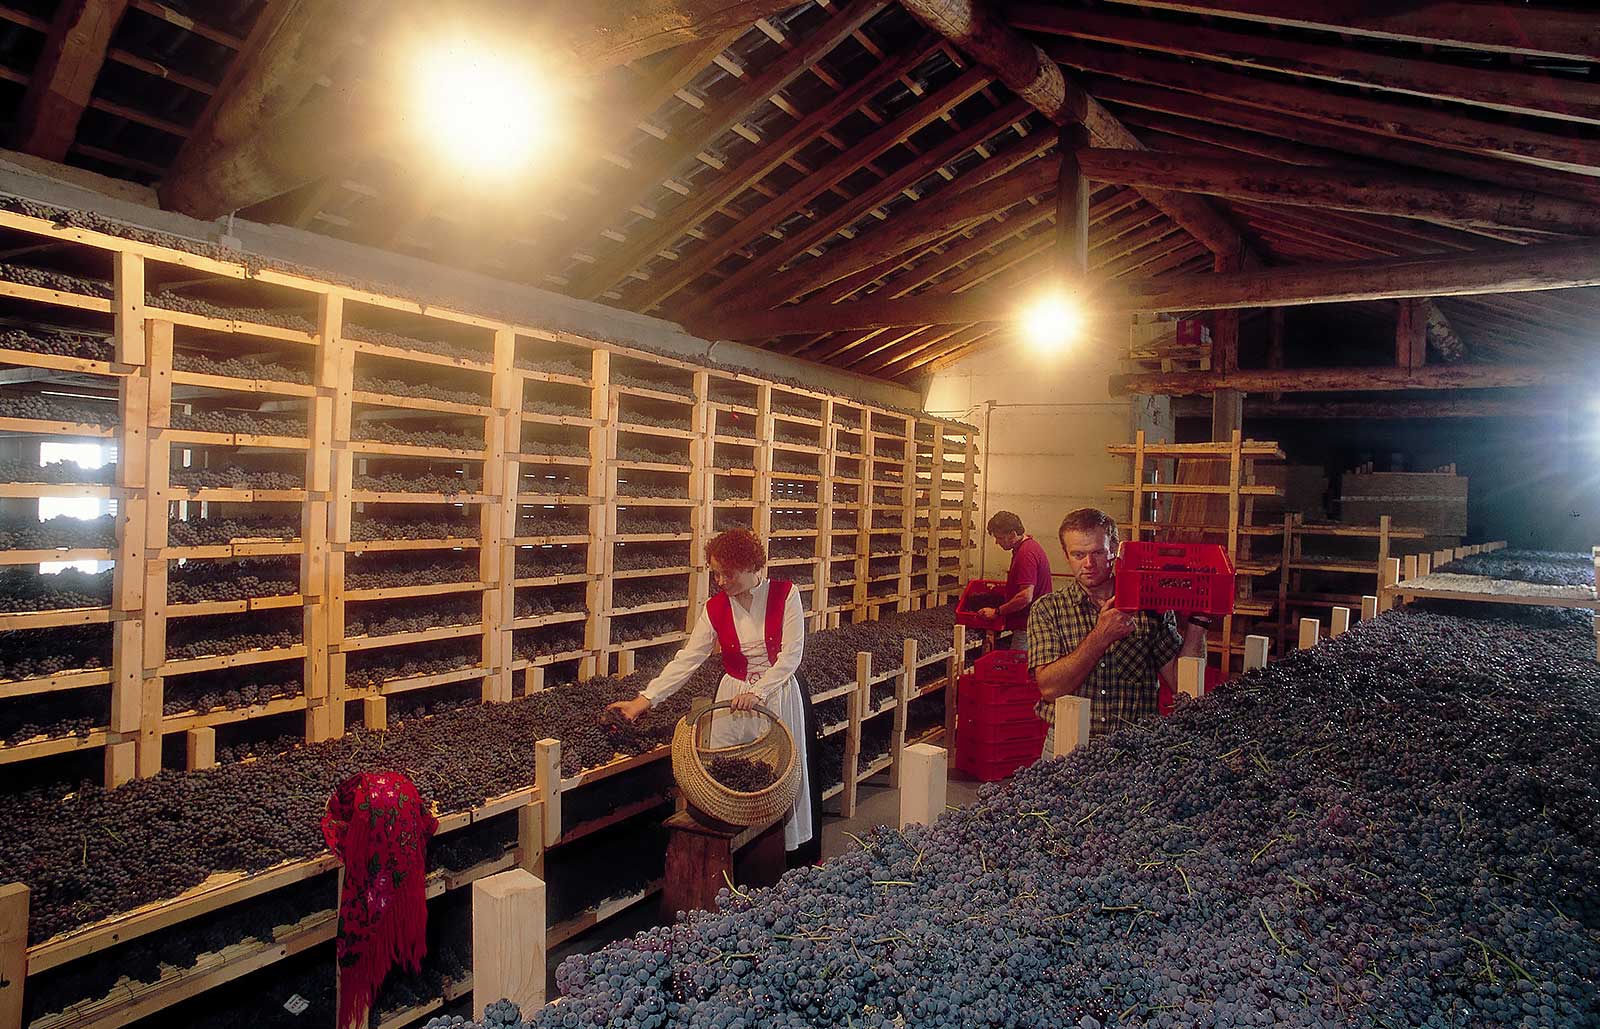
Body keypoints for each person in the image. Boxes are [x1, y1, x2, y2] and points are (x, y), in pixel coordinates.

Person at [607, 528, 819, 864]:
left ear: (752, 566)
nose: (720, 580)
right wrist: (644, 700)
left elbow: (791, 655)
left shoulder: (785, 594)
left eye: (728, 573)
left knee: (779, 777)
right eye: (715, 573)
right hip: (732, 699)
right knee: (730, 775)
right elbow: (688, 658)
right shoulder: (715, 608)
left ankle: (783, 859)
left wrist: (759, 690)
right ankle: (739, 862)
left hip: (776, 694)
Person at [1026, 507, 1206, 753]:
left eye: (1098, 553)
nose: (1088, 564)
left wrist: (1199, 622)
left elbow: (1182, 685)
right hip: (1067, 747)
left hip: (1135, 749)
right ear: (1065, 554)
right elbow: (1049, 688)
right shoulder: (1049, 610)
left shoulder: (1149, 608)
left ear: (1115, 550)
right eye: (1078, 554)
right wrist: (1101, 636)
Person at [978, 511, 1053, 652]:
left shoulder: (1026, 554)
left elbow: (1025, 596)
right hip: (1033, 624)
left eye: (1000, 538)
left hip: (1028, 628)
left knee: (1017, 668)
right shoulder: (1028, 548)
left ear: (1012, 534)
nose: (997, 542)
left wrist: (997, 611)